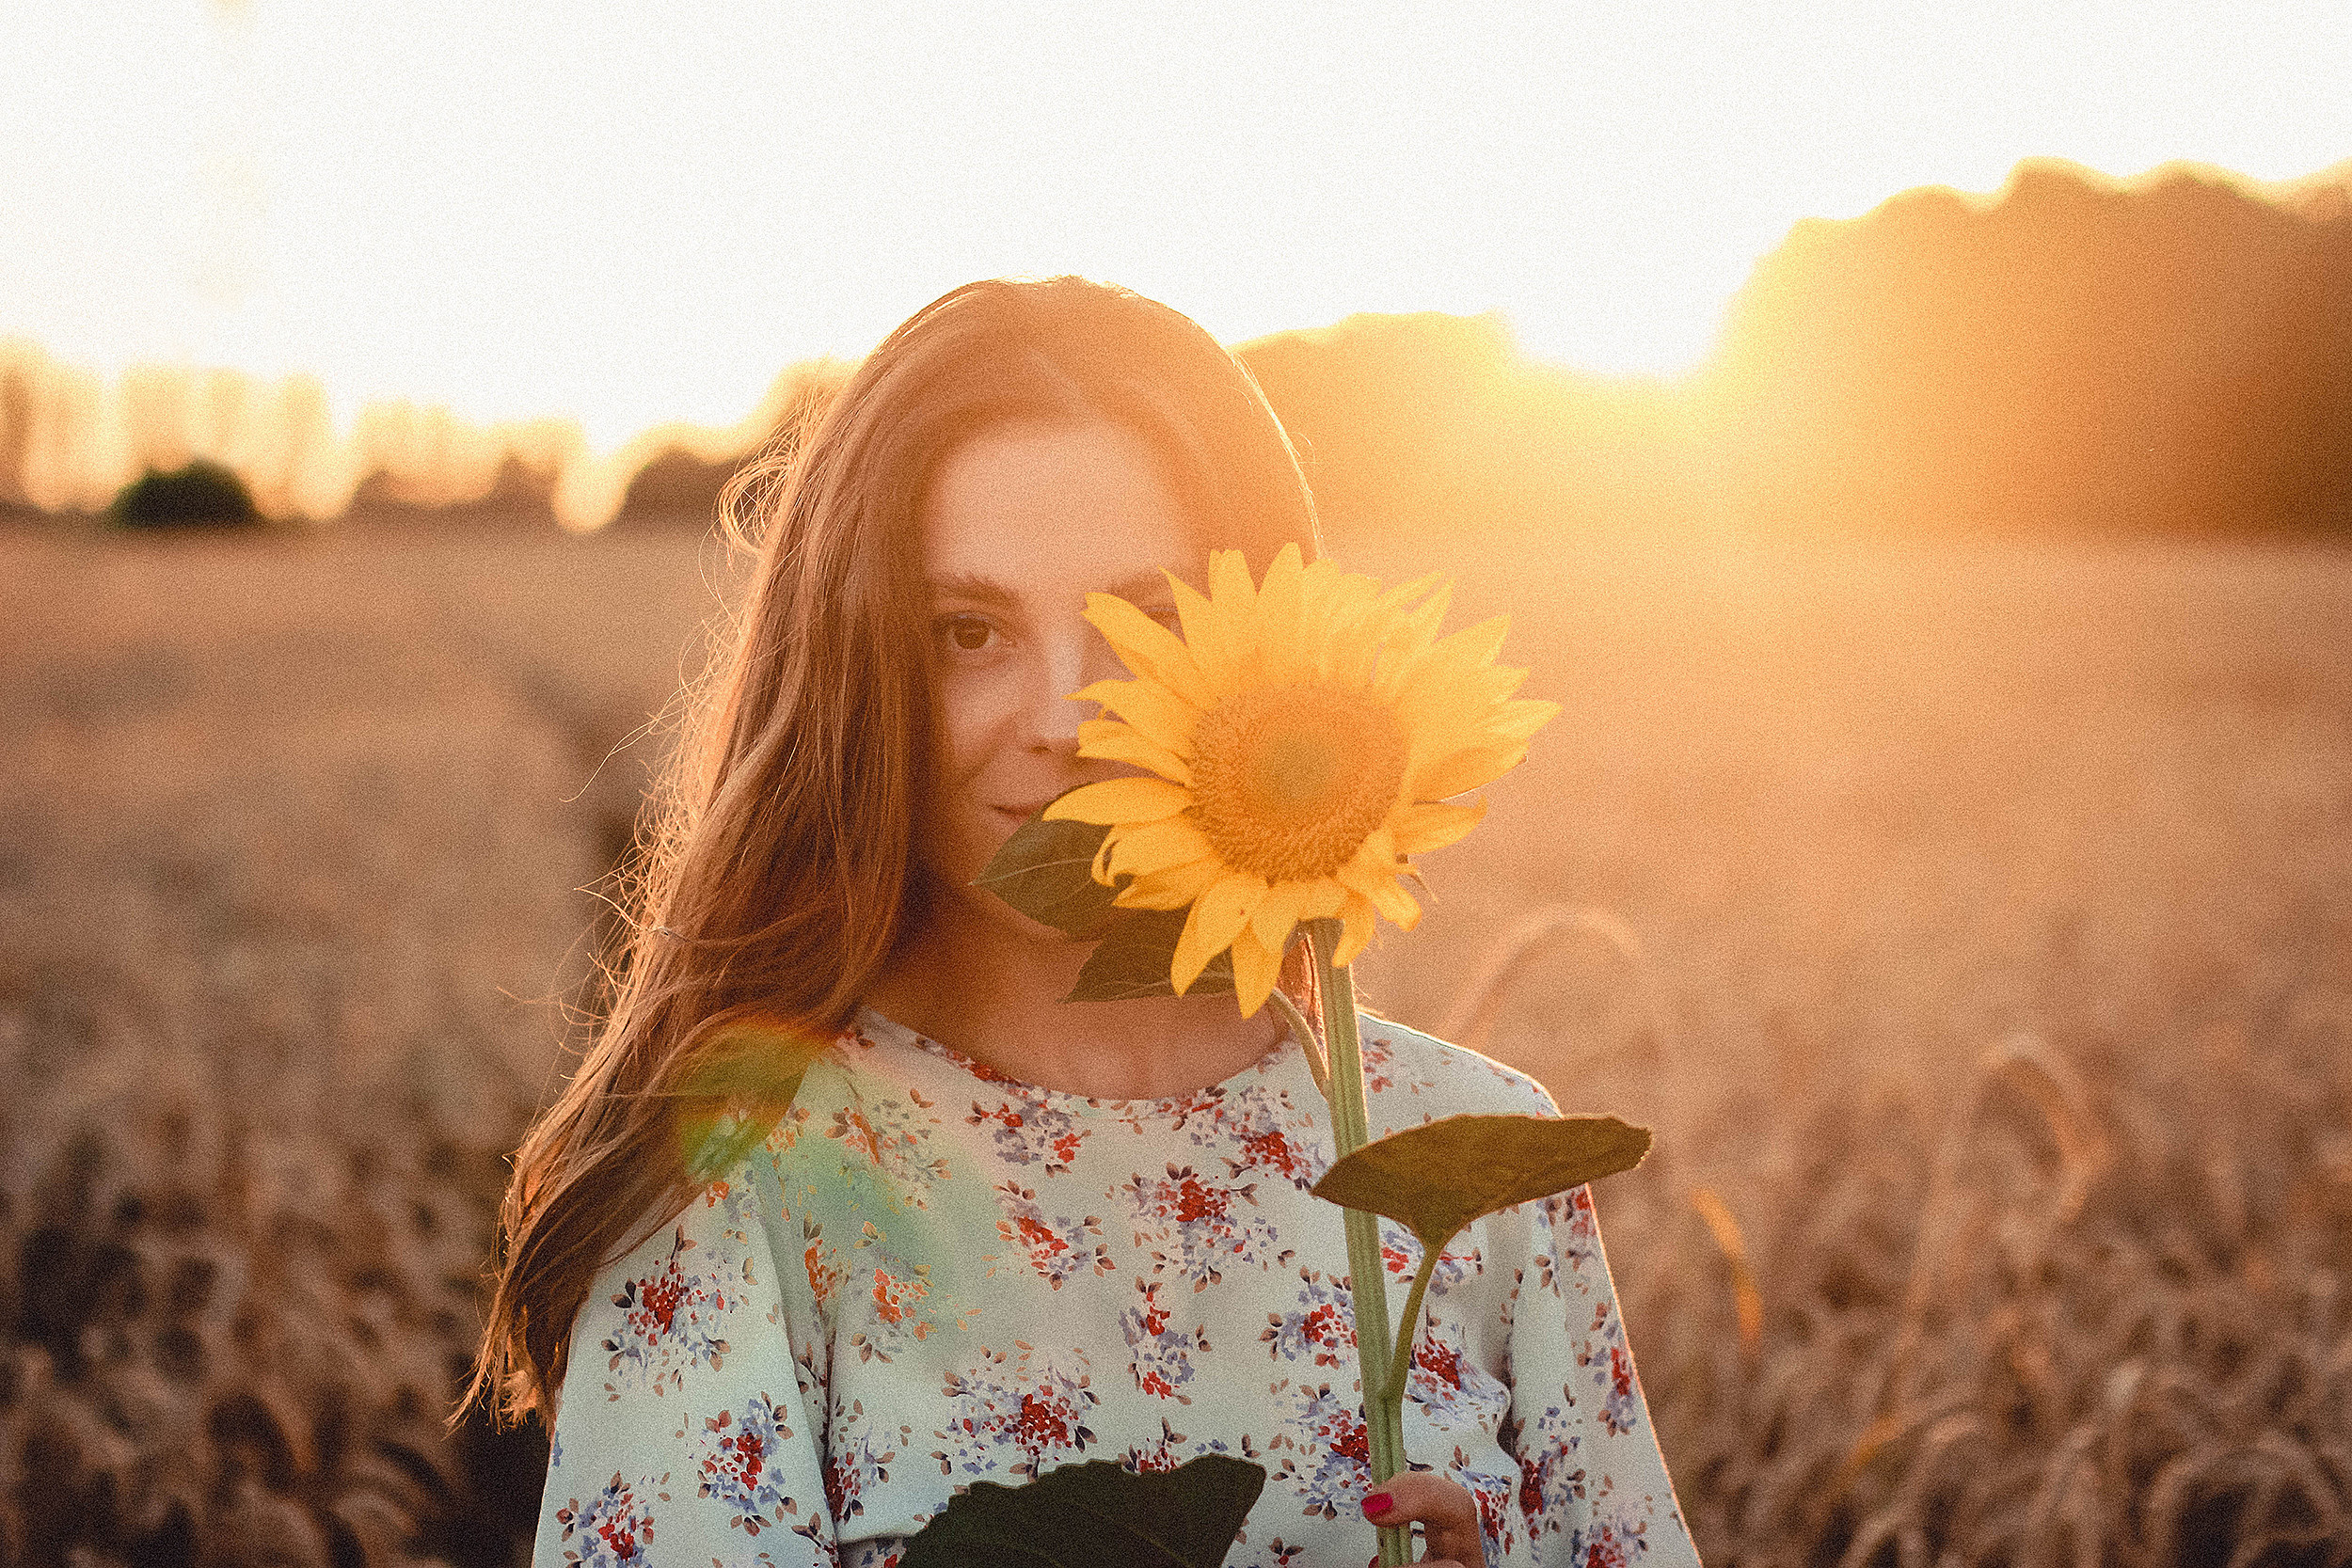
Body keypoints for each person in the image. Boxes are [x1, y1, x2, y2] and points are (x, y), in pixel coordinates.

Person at [466, 277, 1697, 1568]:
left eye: (1148, 620)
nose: (1066, 712)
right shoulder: (740, 1187)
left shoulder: (1478, 1166)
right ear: (855, 672)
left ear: (1274, 656)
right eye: (968, 630)